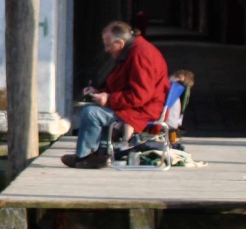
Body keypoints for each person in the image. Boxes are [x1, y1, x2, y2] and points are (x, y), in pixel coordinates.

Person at [62, 21, 170, 168]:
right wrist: (99, 92)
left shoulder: (141, 55)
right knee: (94, 108)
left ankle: (86, 157)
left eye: (108, 45)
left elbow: (140, 95)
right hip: (138, 106)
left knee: (91, 113)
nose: (106, 50)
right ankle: (98, 152)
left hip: (143, 111)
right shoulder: (134, 50)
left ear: (119, 43)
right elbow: (124, 84)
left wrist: (109, 99)